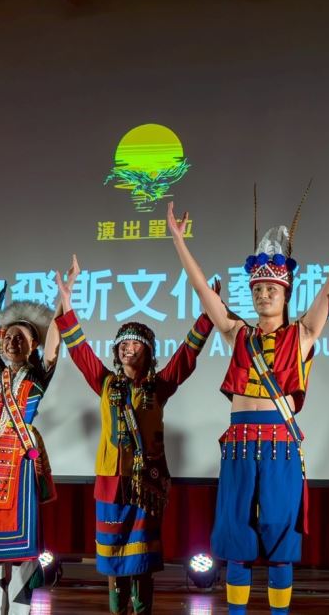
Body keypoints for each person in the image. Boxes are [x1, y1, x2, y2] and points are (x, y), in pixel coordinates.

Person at [165, 187, 329, 615]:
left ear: (285, 293)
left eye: (271, 289)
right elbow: (202, 289)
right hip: (239, 445)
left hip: (280, 446)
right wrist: (178, 240)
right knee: (236, 539)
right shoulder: (238, 334)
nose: (263, 295)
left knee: (281, 540)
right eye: (258, 289)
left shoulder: (302, 334)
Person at [53, 255, 215, 615]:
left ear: (149, 352)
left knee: (141, 559)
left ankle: (142, 610)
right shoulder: (105, 382)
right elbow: (80, 351)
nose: (127, 348)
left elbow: (186, 356)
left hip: (146, 483)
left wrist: (207, 316)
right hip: (111, 481)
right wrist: (67, 303)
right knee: (113, 558)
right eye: (122, 343)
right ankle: (118, 610)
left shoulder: (159, 386)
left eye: (135, 343)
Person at [0, 253, 62, 615]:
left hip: (20, 464)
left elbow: (55, 341)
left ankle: (21, 610)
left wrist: (64, 297)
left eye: (21, 337)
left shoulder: (38, 378)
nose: (12, 341)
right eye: (8, 336)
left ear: (33, 344)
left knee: (22, 551)